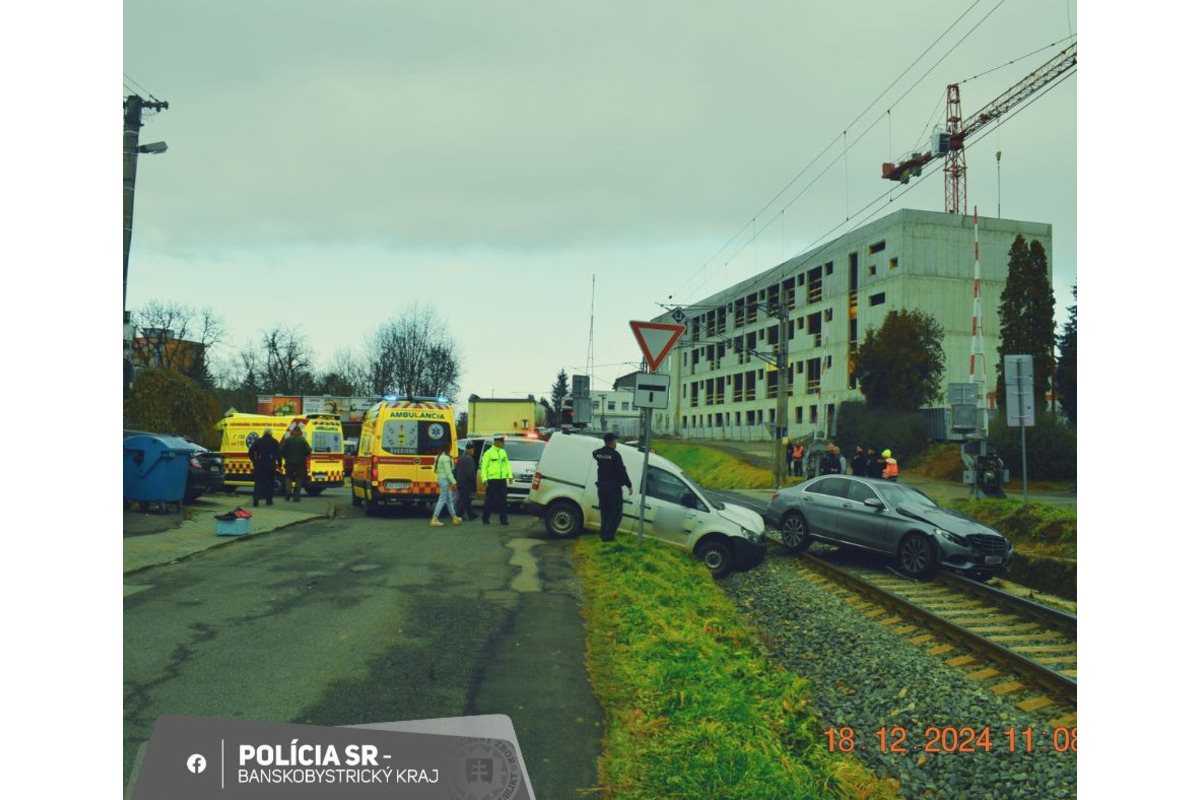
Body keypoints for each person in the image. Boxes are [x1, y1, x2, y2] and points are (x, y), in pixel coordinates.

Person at [593, 433, 633, 543]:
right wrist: (629, 485)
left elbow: (594, 453)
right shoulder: (615, 455)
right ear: (612, 442)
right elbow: (622, 471)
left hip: (602, 489)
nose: (616, 443)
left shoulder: (599, 453)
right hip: (613, 489)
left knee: (605, 512)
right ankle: (609, 537)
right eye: (615, 441)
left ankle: (603, 534)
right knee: (616, 513)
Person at [479, 435, 513, 525]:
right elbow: (484, 467)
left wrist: (510, 476)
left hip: (502, 479)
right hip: (492, 480)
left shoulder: (503, 452)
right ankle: (485, 518)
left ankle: (503, 520)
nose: (503, 444)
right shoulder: (488, 453)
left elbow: (507, 465)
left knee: (503, 500)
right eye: (502, 442)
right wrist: (485, 479)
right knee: (489, 500)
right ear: (497, 442)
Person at [248, 427, 282, 507]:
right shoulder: (274, 441)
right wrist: (279, 463)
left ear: (264, 433)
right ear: (271, 433)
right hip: (270, 464)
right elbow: (278, 454)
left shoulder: (258, 441)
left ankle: (256, 499)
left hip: (260, 464)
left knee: (258, 482)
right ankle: (269, 500)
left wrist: (254, 461)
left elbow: (250, 451)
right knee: (270, 482)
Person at [430, 443, 461, 527]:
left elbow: (434, 470)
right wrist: (454, 482)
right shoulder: (446, 458)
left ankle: (454, 517)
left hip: (440, 479)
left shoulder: (438, 457)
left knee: (449, 500)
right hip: (445, 481)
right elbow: (448, 472)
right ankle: (434, 519)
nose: (451, 449)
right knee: (442, 500)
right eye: (450, 448)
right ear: (447, 449)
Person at [280, 425, 311, 502]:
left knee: (288, 477)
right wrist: (303, 456)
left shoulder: (288, 440)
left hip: (289, 462)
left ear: (293, 432)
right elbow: (308, 450)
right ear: (300, 432)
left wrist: (286, 457)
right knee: (299, 479)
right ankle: (296, 496)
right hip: (300, 463)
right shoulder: (303, 440)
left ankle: (288, 491)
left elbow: (281, 450)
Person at [454, 443, 479, 521]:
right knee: (464, 499)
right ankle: (459, 514)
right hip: (466, 483)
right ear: (470, 450)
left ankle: (471, 514)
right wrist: (473, 481)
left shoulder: (461, 458)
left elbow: (455, 470)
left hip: (460, 482)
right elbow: (470, 473)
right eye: (472, 450)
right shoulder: (469, 459)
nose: (473, 451)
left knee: (466, 499)